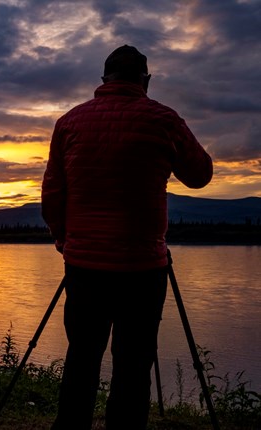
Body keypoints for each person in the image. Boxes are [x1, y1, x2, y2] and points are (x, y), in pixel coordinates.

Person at [40, 45, 213, 429]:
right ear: (145, 80)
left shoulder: (69, 122)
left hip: (84, 266)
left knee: (82, 356)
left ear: (103, 81)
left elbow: (52, 194)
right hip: (143, 268)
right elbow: (200, 174)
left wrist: (63, 239)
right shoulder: (163, 119)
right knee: (134, 363)